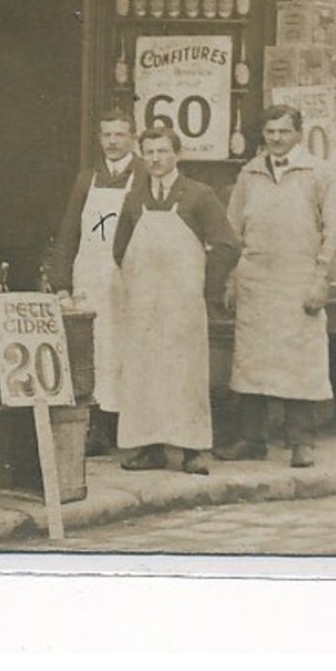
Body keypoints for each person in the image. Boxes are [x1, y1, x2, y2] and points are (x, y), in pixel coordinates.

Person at [214, 104, 336, 469]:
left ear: (298, 134)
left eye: (283, 132)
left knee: (298, 360)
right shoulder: (250, 174)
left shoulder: (321, 174)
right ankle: (251, 439)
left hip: (298, 279)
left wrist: (322, 280)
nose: (276, 139)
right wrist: (231, 278)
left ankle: (301, 441)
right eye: (270, 132)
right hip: (255, 278)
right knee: (252, 359)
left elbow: (335, 234)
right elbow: (232, 229)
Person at [110, 126, 240, 476]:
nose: (155, 159)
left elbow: (228, 245)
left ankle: (193, 449)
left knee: (185, 373)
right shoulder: (134, 198)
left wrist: (204, 286)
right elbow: (119, 248)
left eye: (163, 151)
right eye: (149, 152)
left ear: (176, 154)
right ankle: (149, 448)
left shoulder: (198, 195)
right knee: (145, 372)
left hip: (184, 302)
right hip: (145, 304)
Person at [44, 110, 140, 456]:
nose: (112, 142)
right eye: (107, 135)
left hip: (126, 280)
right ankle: (97, 428)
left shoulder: (142, 175)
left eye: (119, 135)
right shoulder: (87, 178)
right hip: (90, 275)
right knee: (93, 350)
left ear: (133, 137)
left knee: (125, 349)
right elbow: (70, 229)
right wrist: (61, 280)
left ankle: (128, 429)